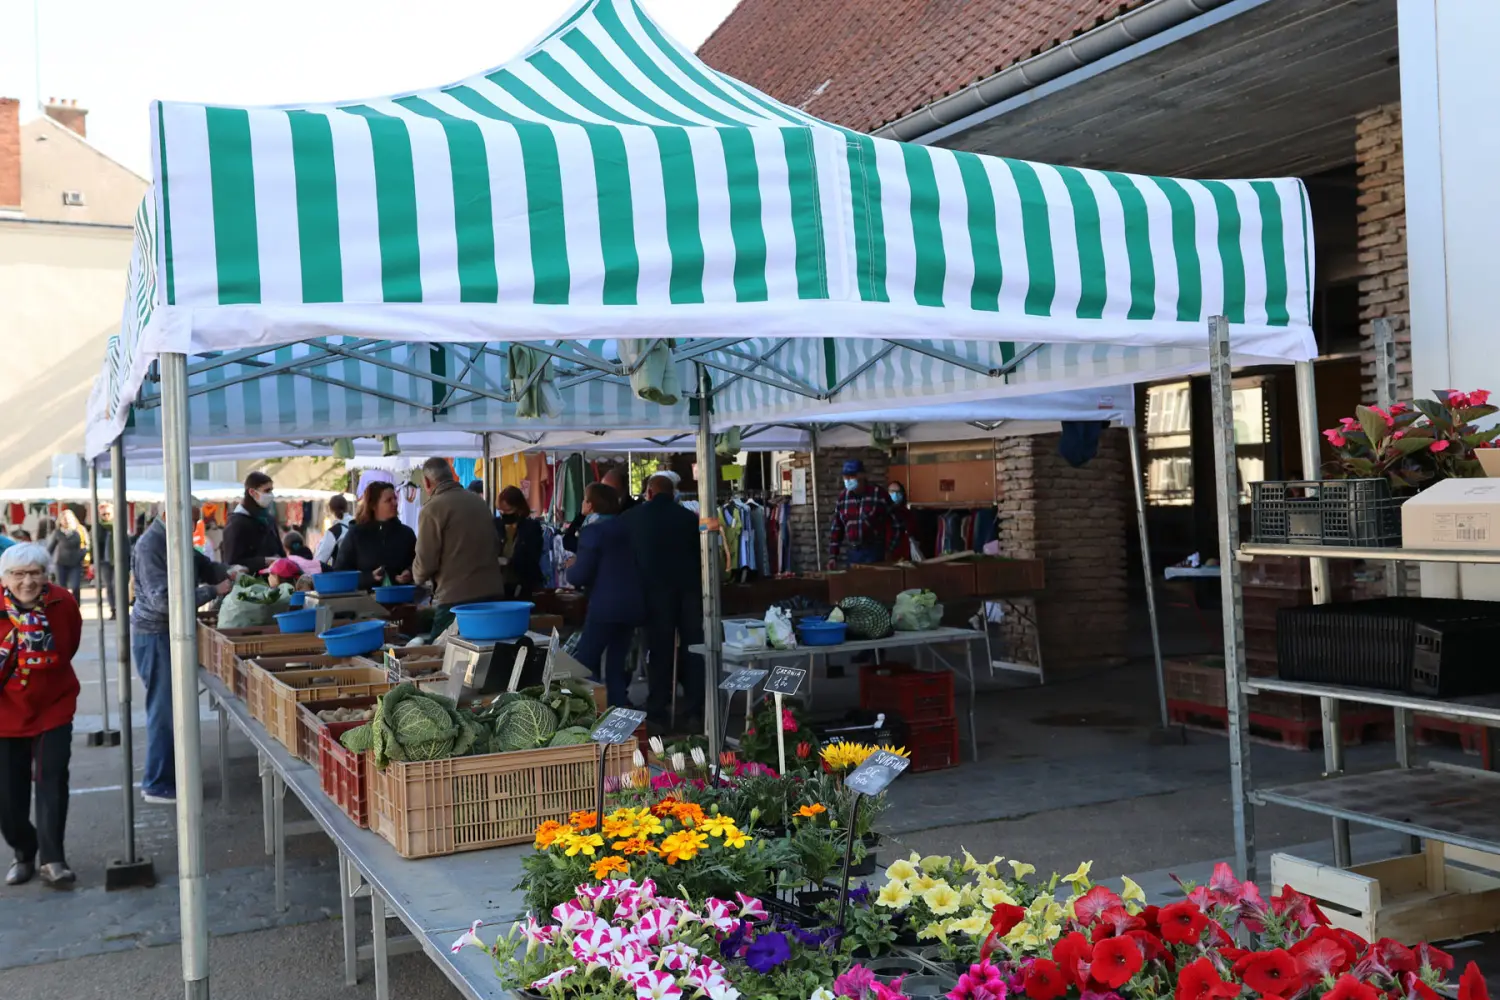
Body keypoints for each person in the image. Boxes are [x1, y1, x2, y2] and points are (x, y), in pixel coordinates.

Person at [132, 503, 232, 805]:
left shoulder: (173, 540)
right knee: (163, 710)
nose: (193, 527)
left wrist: (231, 572)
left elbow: (203, 565)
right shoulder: (151, 545)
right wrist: (213, 591)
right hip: (155, 634)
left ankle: (171, 775)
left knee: (172, 708)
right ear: (167, 515)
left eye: (196, 521)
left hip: (166, 633)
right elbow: (163, 601)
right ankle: (157, 783)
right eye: (191, 520)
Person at [0, 543, 83, 887]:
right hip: (5, 713)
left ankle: (52, 859)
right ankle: (24, 851)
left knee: (52, 780)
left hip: (53, 706)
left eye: (35, 573)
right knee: (8, 797)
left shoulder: (63, 602)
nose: (27, 582)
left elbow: (69, 646)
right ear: (4, 579)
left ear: (45, 575)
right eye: (18, 574)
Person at [621, 474, 704, 732]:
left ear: (649, 492)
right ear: (674, 493)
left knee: (658, 651)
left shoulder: (632, 518)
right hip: (688, 592)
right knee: (693, 650)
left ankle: (657, 709)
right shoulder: (689, 518)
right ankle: (695, 709)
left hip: (653, 594)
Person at [567, 483, 644, 707]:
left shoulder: (594, 532)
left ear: (590, 505)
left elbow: (580, 575)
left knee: (585, 660)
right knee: (617, 663)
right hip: (632, 604)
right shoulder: (629, 527)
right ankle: (619, 709)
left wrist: (571, 567)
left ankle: (592, 708)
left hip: (604, 605)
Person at [412, 458, 504, 637]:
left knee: (441, 650)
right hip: (492, 594)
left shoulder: (432, 509)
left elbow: (425, 562)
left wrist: (416, 577)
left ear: (427, 482)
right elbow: (495, 544)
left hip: (456, 599)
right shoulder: (479, 502)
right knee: (484, 647)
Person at [334, 481, 417, 591]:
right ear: (373, 505)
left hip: (402, 597)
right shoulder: (356, 534)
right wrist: (369, 577)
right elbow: (340, 573)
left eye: (395, 498)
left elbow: (418, 563)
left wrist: (409, 572)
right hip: (365, 599)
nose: (395, 503)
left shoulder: (407, 534)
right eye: (388, 500)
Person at [826, 459, 891, 568]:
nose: (848, 480)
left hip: (875, 551)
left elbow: (892, 521)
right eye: (845, 477)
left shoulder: (878, 494)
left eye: (852, 476)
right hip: (853, 552)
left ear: (862, 475)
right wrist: (833, 556)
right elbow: (837, 528)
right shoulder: (843, 498)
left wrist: (890, 549)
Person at [220, 472, 284, 573]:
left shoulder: (268, 519)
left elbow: (279, 551)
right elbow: (232, 562)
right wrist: (264, 561)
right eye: (267, 491)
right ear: (252, 492)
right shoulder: (236, 523)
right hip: (251, 580)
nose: (270, 495)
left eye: (271, 490)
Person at [562, 466, 635, 553]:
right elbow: (568, 541)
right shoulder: (591, 514)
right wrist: (582, 515)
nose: (603, 494)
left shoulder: (632, 513)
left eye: (608, 491)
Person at [494, 486, 544, 600]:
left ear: (519, 509)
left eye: (508, 511)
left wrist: (510, 562)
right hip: (499, 585)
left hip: (523, 585)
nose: (504, 514)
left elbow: (532, 559)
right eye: (501, 511)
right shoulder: (495, 525)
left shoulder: (531, 528)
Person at [45, 510, 87, 602]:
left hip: (75, 563)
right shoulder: (57, 533)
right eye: (64, 519)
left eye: (68, 519)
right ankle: (64, 605)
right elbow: (50, 548)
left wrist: (82, 554)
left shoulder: (79, 530)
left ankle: (76, 605)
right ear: (60, 521)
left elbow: (86, 544)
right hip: (61, 563)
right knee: (62, 587)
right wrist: (44, 559)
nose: (67, 521)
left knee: (75, 586)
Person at [312, 494, 353, 570]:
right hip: (363, 573)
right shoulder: (358, 524)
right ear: (347, 507)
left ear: (330, 510)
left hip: (343, 574)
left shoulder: (334, 531)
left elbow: (320, 559)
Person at [885, 480, 919, 562]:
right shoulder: (883, 512)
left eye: (898, 492)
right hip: (887, 553)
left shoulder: (907, 513)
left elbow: (913, 532)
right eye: (892, 491)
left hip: (904, 554)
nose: (895, 494)